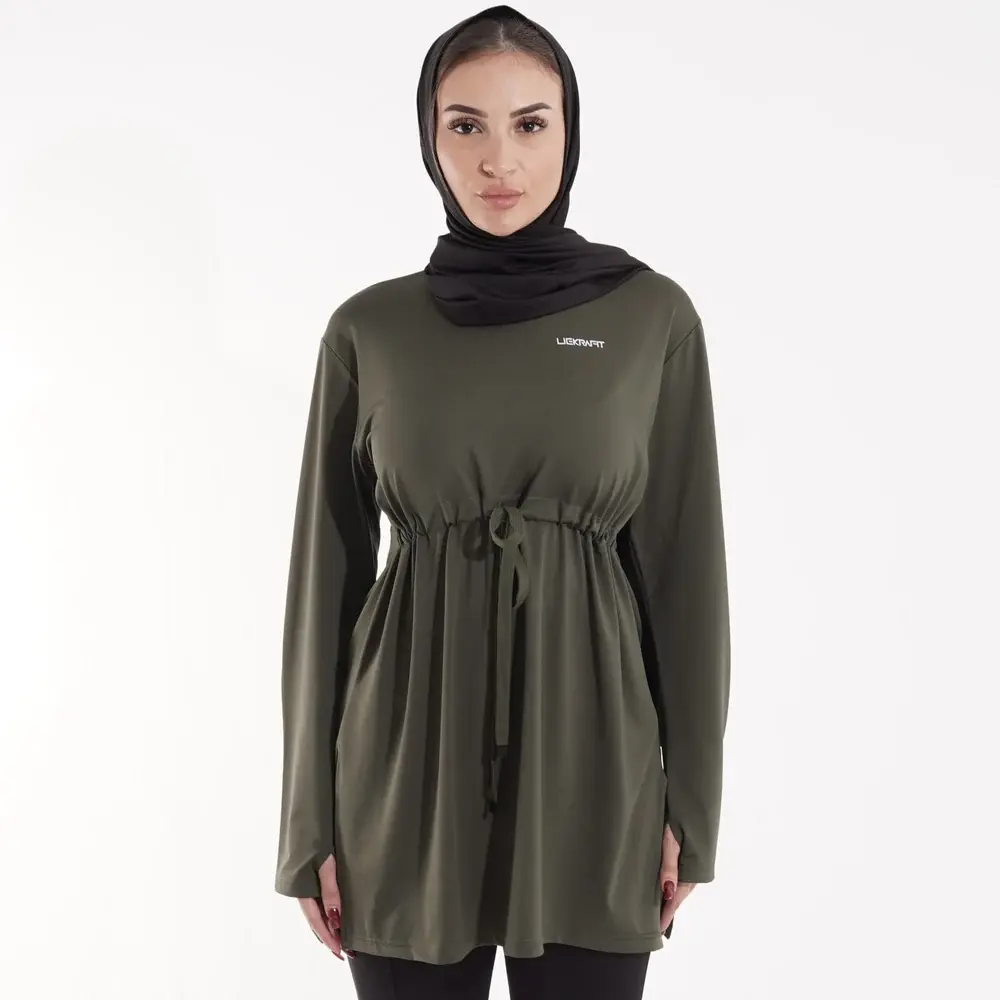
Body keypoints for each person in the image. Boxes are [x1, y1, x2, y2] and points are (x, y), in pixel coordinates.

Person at [273, 5, 731, 998]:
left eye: (530, 123)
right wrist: (308, 826)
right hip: (402, 775)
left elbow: (686, 578)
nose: (498, 160)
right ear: (428, 137)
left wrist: (691, 810)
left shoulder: (650, 317)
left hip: (595, 772)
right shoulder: (369, 329)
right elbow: (325, 584)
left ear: (570, 131)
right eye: (465, 124)